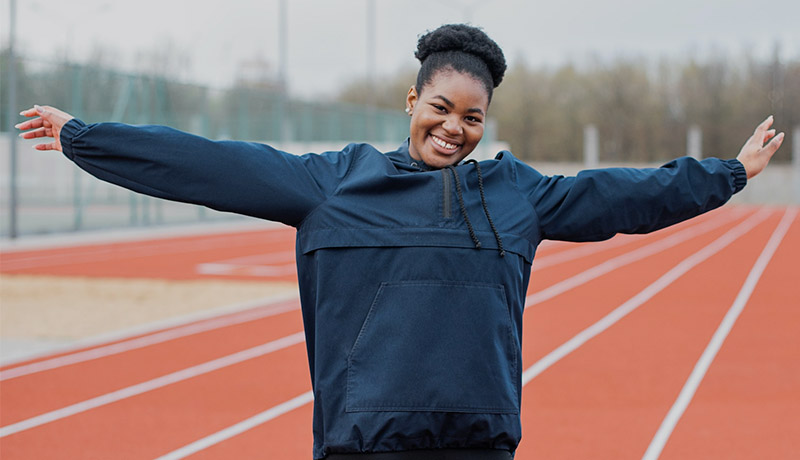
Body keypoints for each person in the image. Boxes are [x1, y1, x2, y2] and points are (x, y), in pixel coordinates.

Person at [16, 24, 783, 460]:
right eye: (442, 107)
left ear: (487, 123)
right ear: (412, 99)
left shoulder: (516, 195)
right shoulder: (333, 184)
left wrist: (728, 174)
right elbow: (210, 162)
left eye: (473, 118)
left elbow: (626, 194)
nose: (454, 128)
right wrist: (89, 137)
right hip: (364, 446)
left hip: (479, 444)